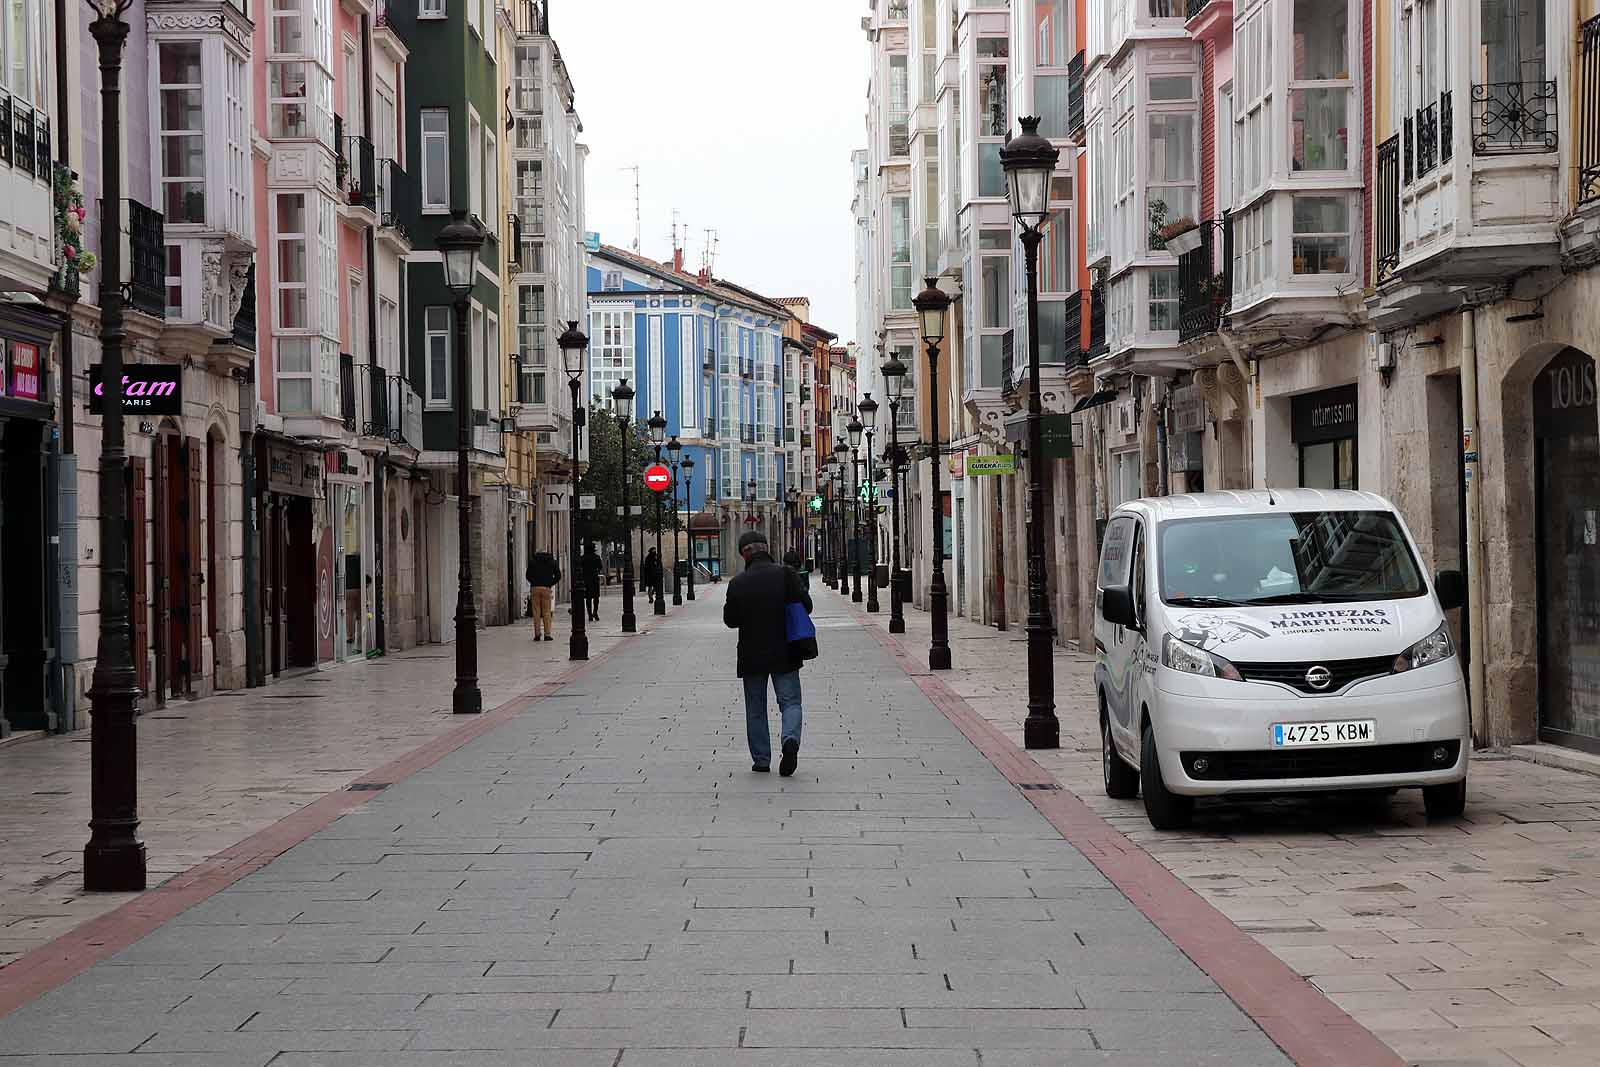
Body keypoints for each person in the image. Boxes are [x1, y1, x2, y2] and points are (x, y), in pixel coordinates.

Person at [724, 531, 813, 776]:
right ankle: (790, 739)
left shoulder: (737, 583)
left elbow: (730, 620)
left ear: (744, 554)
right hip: (786, 650)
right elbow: (807, 606)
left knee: (755, 707)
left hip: (752, 654)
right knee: (791, 701)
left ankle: (762, 760)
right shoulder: (786, 574)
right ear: (767, 548)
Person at [526, 548, 561, 642]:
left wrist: (534, 582)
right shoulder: (552, 562)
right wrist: (550, 583)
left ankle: (537, 634)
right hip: (546, 588)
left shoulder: (533, 561)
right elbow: (558, 576)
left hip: (535, 588)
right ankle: (547, 634)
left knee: (536, 611)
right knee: (546, 611)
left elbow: (528, 575)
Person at [581, 542, 603, 621]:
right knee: (596, 597)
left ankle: (590, 614)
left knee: (588, 598)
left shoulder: (583, 558)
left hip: (586, 579)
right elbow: (600, 567)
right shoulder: (596, 557)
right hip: (594, 579)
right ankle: (595, 612)